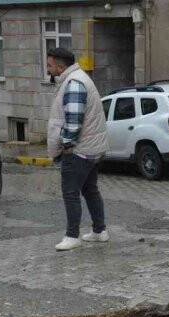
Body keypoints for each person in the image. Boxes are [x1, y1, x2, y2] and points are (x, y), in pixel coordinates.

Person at [45, 47, 109, 252]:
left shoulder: (73, 84)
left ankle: (72, 236)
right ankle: (100, 231)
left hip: (79, 150)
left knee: (70, 192)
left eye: (50, 65)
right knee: (90, 190)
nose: (48, 69)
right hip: (91, 148)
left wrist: (66, 145)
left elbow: (74, 121)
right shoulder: (79, 78)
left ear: (60, 66)